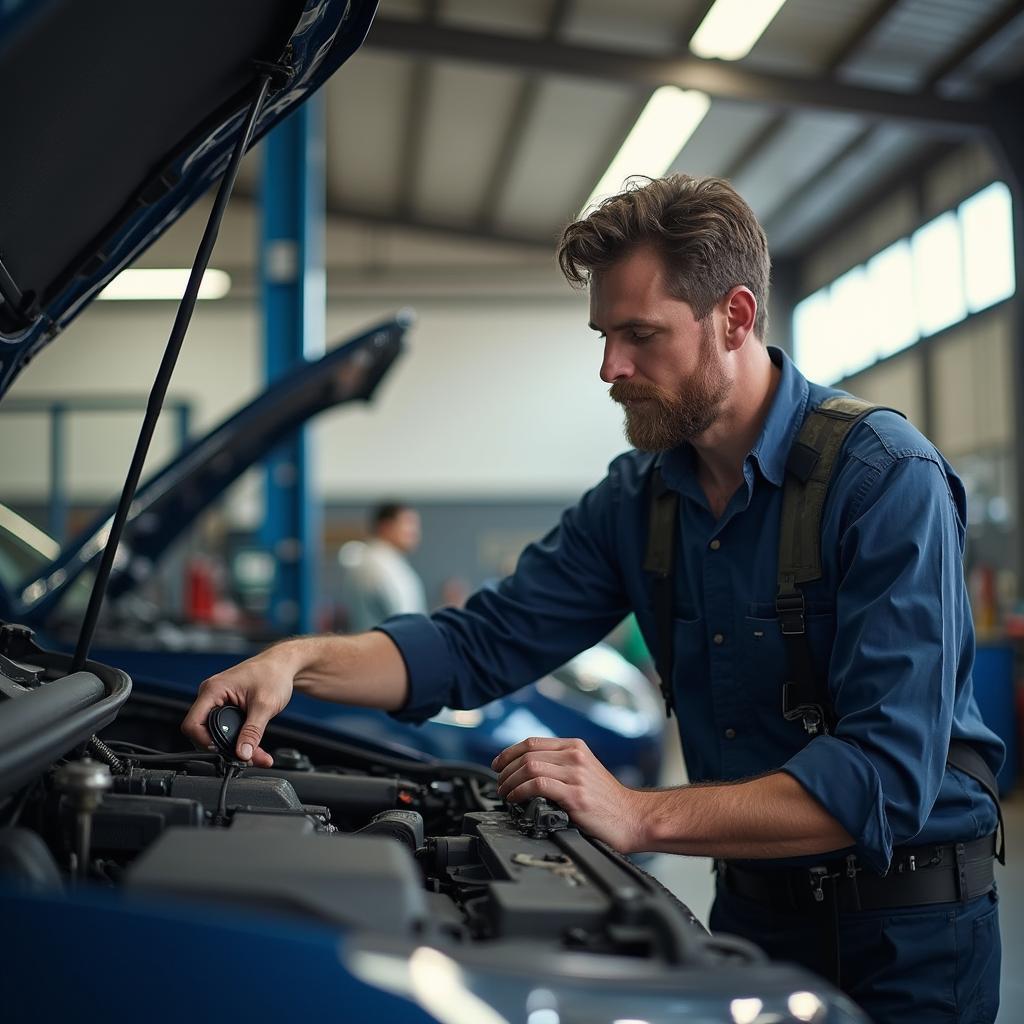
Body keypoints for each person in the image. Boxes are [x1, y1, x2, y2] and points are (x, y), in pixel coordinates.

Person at [183, 175, 1003, 1023]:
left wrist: (637, 814)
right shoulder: (639, 500)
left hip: (908, 934)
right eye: (606, 335)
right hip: (753, 914)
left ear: (736, 316)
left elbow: (884, 776)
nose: (611, 368)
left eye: (640, 335)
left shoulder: (882, 481)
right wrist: (296, 663)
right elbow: (476, 643)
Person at [337, 501, 426, 632]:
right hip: (388, 647)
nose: (415, 532)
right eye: (408, 524)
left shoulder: (382, 561)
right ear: (385, 527)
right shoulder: (380, 567)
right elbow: (406, 623)